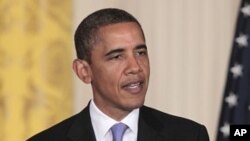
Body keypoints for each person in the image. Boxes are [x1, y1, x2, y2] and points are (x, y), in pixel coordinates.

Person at [27, 8, 210, 141]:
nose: (135, 67)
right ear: (84, 71)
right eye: (117, 56)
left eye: (140, 52)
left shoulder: (189, 136)